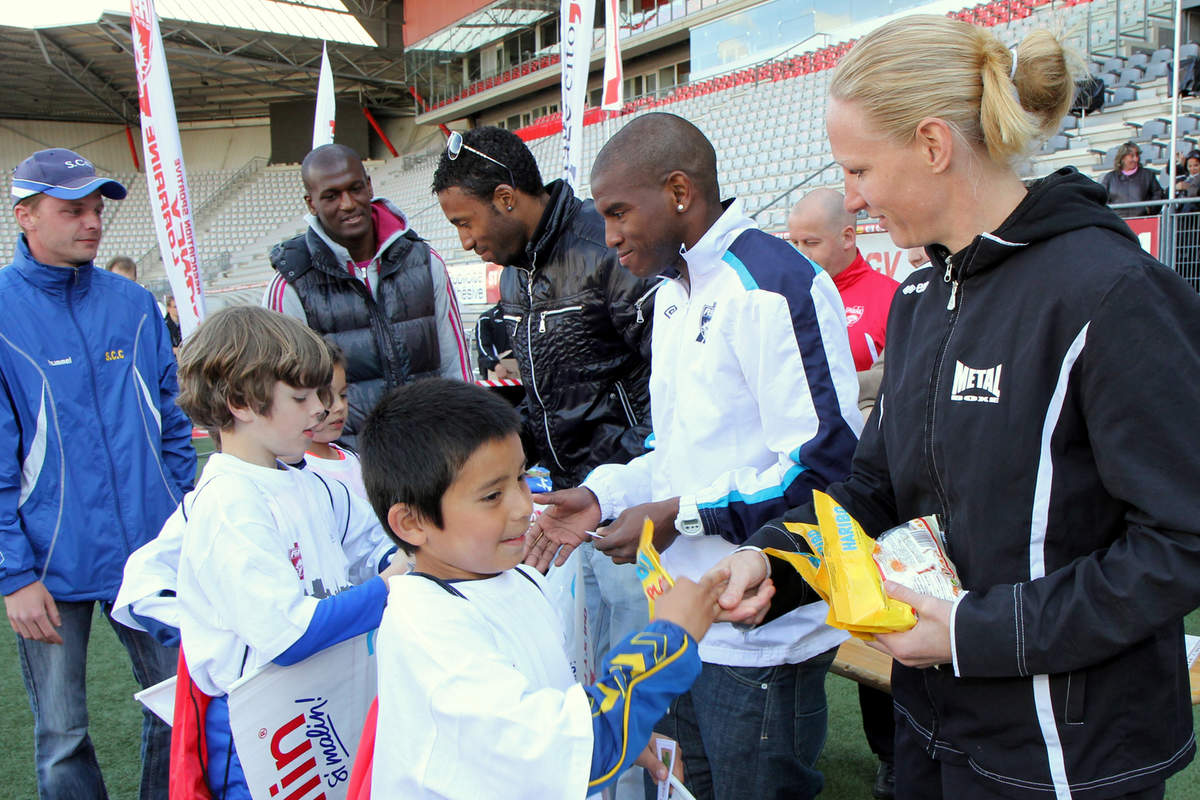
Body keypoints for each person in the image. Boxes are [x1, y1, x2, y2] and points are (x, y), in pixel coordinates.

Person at [710, 16, 1200, 800]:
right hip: (931, 731)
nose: (853, 198)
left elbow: (1181, 541)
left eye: (860, 169)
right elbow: (871, 491)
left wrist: (975, 633)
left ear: (934, 145)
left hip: (1068, 760)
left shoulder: (1108, 292)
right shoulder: (920, 298)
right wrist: (772, 560)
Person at [527, 112, 863, 800]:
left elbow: (824, 469)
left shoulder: (773, 286)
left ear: (679, 192)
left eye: (619, 212)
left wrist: (678, 517)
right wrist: (602, 498)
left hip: (758, 632)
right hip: (681, 619)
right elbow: (670, 451)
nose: (609, 234)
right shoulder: (673, 296)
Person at [357, 378, 747, 798]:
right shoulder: (427, 629)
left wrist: (613, 728)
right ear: (412, 523)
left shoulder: (514, 579)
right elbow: (556, 754)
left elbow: (546, 703)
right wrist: (668, 640)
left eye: (521, 478)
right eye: (492, 496)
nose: (523, 506)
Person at [432, 126, 659, 686]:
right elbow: (543, 399)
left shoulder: (606, 248)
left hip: (634, 506)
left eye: (465, 222)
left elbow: (670, 389)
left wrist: (615, 481)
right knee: (594, 671)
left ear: (506, 199)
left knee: (643, 682)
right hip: (566, 506)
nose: (463, 241)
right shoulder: (514, 275)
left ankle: (660, 775)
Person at [1, 147, 195, 800]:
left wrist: (182, 515)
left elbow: (173, 425)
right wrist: (15, 575)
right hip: (49, 564)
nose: (92, 222)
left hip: (150, 548)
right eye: (72, 210)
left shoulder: (135, 304)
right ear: (25, 216)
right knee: (61, 734)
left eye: (96, 209)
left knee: (177, 706)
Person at [167, 306, 404, 799]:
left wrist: (395, 564)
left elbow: (373, 545)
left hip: (321, 697)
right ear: (239, 402)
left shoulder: (306, 482)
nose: (320, 409)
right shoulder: (229, 503)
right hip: (263, 731)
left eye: (322, 394)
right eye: (300, 397)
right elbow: (288, 635)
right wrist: (391, 587)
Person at [788, 189, 900, 799]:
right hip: (817, 491)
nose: (802, 254)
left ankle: (892, 755)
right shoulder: (786, 293)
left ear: (850, 238)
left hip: (877, 493)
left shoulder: (886, 299)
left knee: (884, 619)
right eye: (793, 242)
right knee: (836, 623)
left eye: (812, 242)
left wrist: (854, 386)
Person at [263, 144, 470, 445]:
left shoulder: (425, 261)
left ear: (369, 186)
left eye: (355, 188)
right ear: (311, 203)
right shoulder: (291, 285)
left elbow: (456, 367)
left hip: (431, 457)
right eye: (331, 196)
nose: (347, 204)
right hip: (345, 470)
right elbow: (281, 394)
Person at [302, 340, 368, 501]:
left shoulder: (356, 459)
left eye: (343, 395)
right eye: (325, 397)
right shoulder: (301, 472)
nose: (339, 407)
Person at [1100, 141, 1165, 217]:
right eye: (1132, 156)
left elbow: (1158, 194)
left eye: (1137, 155)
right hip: (1118, 222)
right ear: (1122, 158)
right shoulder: (1110, 178)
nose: (1136, 159)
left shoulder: (1148, 175)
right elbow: (1102, 198)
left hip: (1143, 221)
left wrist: (1149, 209)